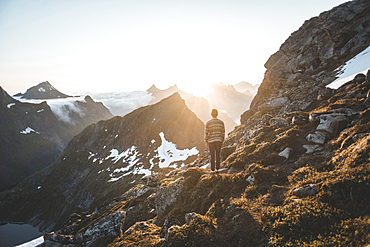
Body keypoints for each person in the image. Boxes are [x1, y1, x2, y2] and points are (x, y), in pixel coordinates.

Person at [205, 109, 225, 174]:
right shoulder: (221, 122)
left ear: (211, 114)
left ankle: (212, 170)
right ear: (217, 114)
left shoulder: (208, 123)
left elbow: (206, 133)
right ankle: (217, 169)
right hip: (219, 140)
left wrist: (206, 141)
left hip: (211, 141)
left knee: (212, 155)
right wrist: (222, 141)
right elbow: (223, 133)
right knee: (218, 154)